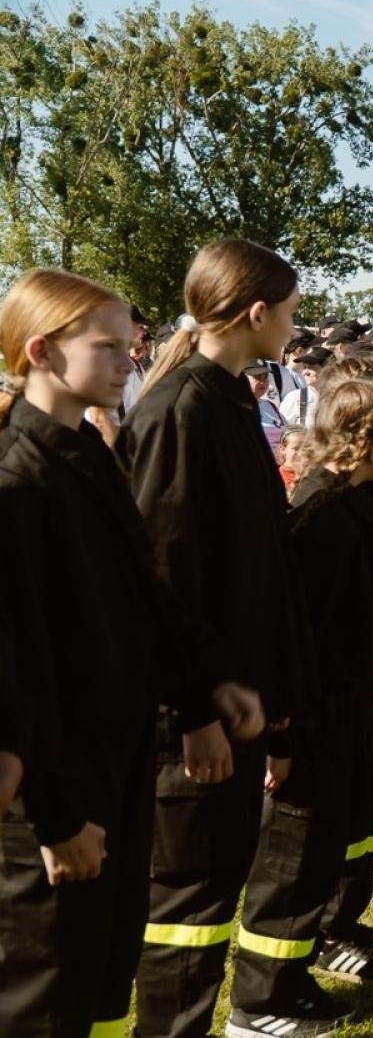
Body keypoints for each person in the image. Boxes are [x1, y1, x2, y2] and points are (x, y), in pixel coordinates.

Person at [0, 268, 261, 1038]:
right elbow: (20, 673)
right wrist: (53, 819)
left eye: (129, 343)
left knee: (106, 981)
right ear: (42, 352)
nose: (130, 358)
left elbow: (148, 598)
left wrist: (207, 684)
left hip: (115, 767)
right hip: (54, 792)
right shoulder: (18, 482)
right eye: (108, 346)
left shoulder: (89, 451)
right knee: (45, 995)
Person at [119, 238, 315, 1037]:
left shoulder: (231, 399)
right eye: (292, 313)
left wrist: (273, 705)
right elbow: (160, 583)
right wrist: (195, 709)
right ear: (256, 312)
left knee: (212, 889)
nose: (297, 330)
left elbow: (254, 572)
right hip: (189, 721)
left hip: (237, 702)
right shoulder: (179, 412)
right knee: (186, 909)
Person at [226, 378, 373, 1036]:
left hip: (352, 696)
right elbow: (284, 629)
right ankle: (260, 1002)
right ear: (372, 443)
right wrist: (282, 728)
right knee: (293, 857)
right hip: (313, 709)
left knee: (342, 834)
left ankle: (310, 961)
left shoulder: (359, 502)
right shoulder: (319, 517)